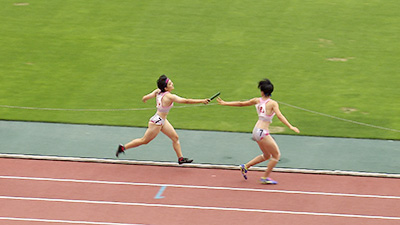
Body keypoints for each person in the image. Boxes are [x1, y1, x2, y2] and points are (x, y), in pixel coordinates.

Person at [217, 79, 300, 184]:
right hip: (262, 132)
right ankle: (265, 177)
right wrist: (291, 126)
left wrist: (225, 103)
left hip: (256, 131)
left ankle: (246, 166)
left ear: (262, 92)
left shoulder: (257, 100)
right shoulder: (273, 103)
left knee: (266, 155)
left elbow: (241, 104)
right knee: (276, 156)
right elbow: (279, 115)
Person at [116, 75, 210, 164]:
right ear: (165, 88)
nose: (172, 84)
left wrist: (145, 98)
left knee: (175, 138)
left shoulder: (158, 91)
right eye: (170, 84)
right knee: (144, 141)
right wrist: (202, 101)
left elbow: (149, 95)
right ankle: (123, 148)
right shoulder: (169, 97)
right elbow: (186, 101)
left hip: (162, 120)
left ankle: (180, 158)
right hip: (157, 122)